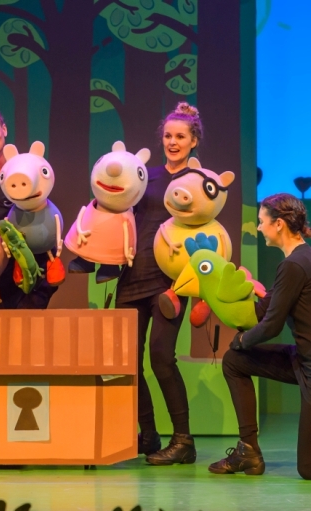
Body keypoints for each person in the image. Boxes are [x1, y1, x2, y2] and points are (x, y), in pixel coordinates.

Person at [115, 102, 202, 465]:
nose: (172, 142)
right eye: (168, 136)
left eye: (180, 136)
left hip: (170, 284)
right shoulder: (143, 176)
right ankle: (148, 435)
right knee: (127, 363)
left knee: (162, 358)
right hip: (132, 279)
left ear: (194, 141)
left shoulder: (198, 183)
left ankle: (183, 441)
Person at [209, 193, 311, 479]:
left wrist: (242, 341)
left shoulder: (294, 265)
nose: (258, 227)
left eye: (262, 221)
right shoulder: (297, 260)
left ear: (279, 224)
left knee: (307, 469)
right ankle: (248, 451)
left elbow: (271, 325)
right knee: (234, 361)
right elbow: (262, 311)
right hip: (302, 360)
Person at [0, 105, 57, 309]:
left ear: (4, 130)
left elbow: (46, 212)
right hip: (0, 277)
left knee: (28, 325)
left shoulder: (30, 167)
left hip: (37, 271)